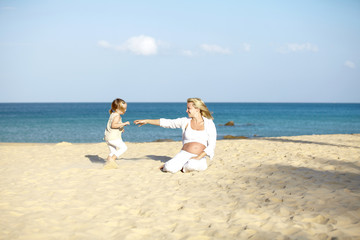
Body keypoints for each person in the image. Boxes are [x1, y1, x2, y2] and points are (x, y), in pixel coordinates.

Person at [134, 98, 217, 173]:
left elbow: (211, 146)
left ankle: (184, 166)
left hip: (199, 156)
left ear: (197, 109)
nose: (186, 110)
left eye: (189, 108)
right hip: (184, 154)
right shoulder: (185, 121)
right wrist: (147, 121)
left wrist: (198, 157)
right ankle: (179, 164)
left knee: (192, 165)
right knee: (169, 168)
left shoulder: (209, 123)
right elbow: (168, 122)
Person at [104, 98, 130, 169]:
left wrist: (121, 129)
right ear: (118, 109)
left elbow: (114, 126)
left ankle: (108, 164)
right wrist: (124, 123)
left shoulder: (113, 114)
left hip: (108, 137)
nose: (125, 110)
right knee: (124, 147)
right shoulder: (117, 116)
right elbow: (113, 125)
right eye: (124, 109)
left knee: (113, 152)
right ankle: (113, 159)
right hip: (113, 138)